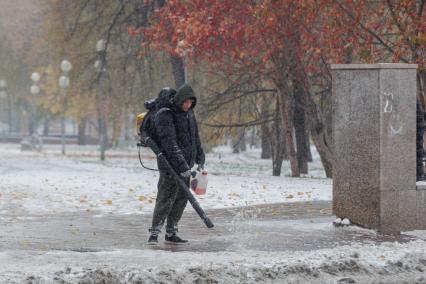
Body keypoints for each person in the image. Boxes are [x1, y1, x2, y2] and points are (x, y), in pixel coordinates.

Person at [147, 84, 205, 244]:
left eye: (191, 103)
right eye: (185, 102)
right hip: (169, 164)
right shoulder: (166, 114)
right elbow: (169, 144)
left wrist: (200, 156)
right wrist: (182, 166)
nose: (188, 105)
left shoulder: (189, 114)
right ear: (179, 99)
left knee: (181, 198)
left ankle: (171, 232)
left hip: (185, 164)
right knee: (166, 196)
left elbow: (195, 138)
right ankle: (154, 233)